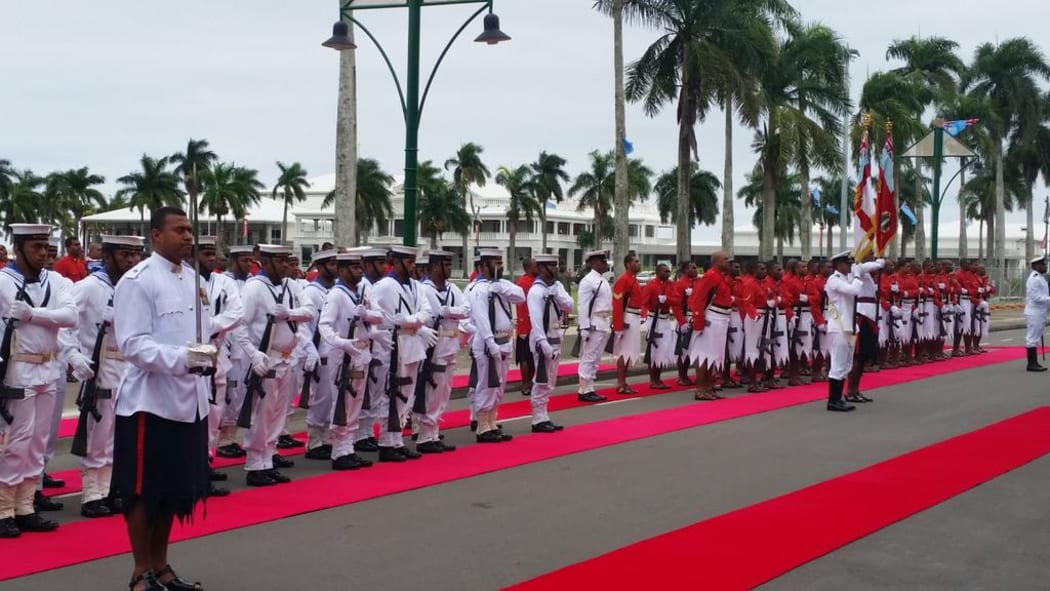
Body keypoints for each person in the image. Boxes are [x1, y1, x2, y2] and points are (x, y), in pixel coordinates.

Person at [110, 207, 217, 591]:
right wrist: (184, 359)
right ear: (156, 235)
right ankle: (142, 572)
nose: (188, 237)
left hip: (190, 400)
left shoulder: (193, 279)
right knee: (144, 490)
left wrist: (204, 355)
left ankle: (162, 566)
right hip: (150, 402)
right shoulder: (138, 281)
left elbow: (203, 330)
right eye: (180, 230)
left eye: (191, 230)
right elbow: (133, 345)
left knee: (173, 489)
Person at [0, 224, 77, 538]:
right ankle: (4, 508)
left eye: (46, 247)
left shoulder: (56, 280)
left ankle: (26, 506)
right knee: (16, 442)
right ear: (18, 249)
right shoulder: (3, 282)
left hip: (48, 368)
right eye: (36, 247)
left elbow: (70, 316)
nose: (44, 253)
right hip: (17, 370)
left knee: (37, 442)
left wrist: (33, 314)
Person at [63, 234, 145, 518]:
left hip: (130, 368)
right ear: (107, 256)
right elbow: (65, 323)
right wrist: (74, 356)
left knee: (121, 435)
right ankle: (92, 493)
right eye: (125, 254)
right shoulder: (88, 287)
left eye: (135, 254)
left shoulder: (134, 288)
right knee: (98, 434)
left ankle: (111, 489)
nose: (132, 260)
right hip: (100, 366)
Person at [233, 244, 314, 486]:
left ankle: (268, 458)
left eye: (286, 261)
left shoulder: (292, 285)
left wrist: (288, 314)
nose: (285, 265)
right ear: (264, 262)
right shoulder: (255, 288)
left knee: (278, 413)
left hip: (287, 357)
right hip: (266, 357)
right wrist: (253, 354)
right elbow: (240, 325)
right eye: (279, 261)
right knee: (262, 414)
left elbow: (309, 311)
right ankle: (255, 463)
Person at [368, 246, 434, 462]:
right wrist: (409, 320)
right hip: (393, 343)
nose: (412, 265)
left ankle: (397, 439)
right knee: (392, 392)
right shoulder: (383, 286)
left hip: (413, 342)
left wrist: (411, 320)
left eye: (413, 261)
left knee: (407, 393)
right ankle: (387, 442)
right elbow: (378, 315)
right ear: (395, 262)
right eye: (408, 261)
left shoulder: (416, 285)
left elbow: (426, 311)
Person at [318, 252, 378, 470]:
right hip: (342, 354)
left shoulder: (362, 292)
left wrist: (368, 315)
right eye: (354, 267)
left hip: (361, 353)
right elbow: (324, 326)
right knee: (342, 402)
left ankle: (348, 446)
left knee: (355, 402)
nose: (359, 271)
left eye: (360, 266)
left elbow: (379, 317)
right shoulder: (336, 294)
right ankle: (339, 450)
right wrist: (340, 342)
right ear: (341, 270)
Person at [194, 236, 243, 498]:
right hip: (192, 351)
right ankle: (193, 468)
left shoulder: (224, 282)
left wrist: (211, 325)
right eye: (204, 252)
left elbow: (237, 312)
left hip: (217, 351)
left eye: (212, 252)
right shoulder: (183, 279)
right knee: (195, 413)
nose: (210, 257)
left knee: (214, 414)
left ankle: (205, 462)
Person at [466, 249, 525, 442]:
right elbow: (482, 318)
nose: (500, 266)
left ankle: (492, 421)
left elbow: (520, 297)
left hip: (505, 340)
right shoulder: (478, 289)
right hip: (487, 343)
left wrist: (501, 288)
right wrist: (490, 343)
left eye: (501, 262)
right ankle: (482, 426)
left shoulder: (502, 284)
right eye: (495, 263)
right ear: (483, 266)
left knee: (499, 386)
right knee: (487, 385)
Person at [416, 250, 470, 452]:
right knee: (431, 392)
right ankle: (424, 436)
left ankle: (434, 432)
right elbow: (423, 317)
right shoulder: (424, 289)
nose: (449, 268)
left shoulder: (453, 288)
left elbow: (466, 310)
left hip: (450, 345)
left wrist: (449, 312)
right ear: (435, 266)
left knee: (443, 392)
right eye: (445, 265)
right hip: (433, 347)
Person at [299, 249, 339, 461]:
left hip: (336, 352)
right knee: (321, 399)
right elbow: (305, 326)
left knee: (332, 399)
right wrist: (310, 350)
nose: (335, 268)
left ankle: (325, 439)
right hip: (320, 351)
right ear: (320, 267)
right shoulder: (311, 292)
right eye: (331, 264)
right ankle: (314, 441)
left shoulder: (337, 290)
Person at [527, 254, 574, 432]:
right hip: (543, 340)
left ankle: (544, 415)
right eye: (551, 266)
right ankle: (537, 418)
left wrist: (557, 296)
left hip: (556, 337)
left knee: (550, 381)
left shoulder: (557, 286)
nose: (555, 269)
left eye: (556, 265)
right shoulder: (536, 291)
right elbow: (536, 321)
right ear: (540, 268)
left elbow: (569, 306)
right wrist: (543, 343)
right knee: (541, 380)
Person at [216, 244, 255, 459]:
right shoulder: (224, 282)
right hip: (228, 345)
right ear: (234, 260)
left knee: (239, 393)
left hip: (245, 348)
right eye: (245, 260)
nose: (249, 264)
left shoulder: (251, 283)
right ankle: (223, 440)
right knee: (228, 394)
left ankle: (232, 438)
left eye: (251, 260)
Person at [687, 251, 732, 400]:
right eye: (725, 259)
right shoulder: (710, 276)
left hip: (722, 319)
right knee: (704, 355)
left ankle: (709, 387)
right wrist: (699, 321)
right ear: (716, 261)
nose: (728, 262)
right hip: (711, 318)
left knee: (714, 355)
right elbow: (697, 299)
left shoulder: (722, 277)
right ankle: (700, 389)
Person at [824, 251, 863, 413]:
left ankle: (839, 397)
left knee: (846, 364)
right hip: (838, 327)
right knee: (838, 364)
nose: (850, 266)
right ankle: (833, 400)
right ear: (839, 265)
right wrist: (858, 276)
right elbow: (853, 291)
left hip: (848, 326)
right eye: (847, 264)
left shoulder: (846, 279)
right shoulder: (834, 280)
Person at [845, 253, 884, 403]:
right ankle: (850, 391)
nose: (873, 257)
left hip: (869, 314)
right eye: (870, 255)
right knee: (858, 355)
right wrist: (880, 261)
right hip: (862, 314)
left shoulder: (864, 272)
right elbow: (874, 265)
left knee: (864, 357)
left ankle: (855, 389)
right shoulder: (856, 268)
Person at [576, 250, 612, 399]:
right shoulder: (588, 281)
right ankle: (583, 390)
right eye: (602, 262)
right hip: (593, 323)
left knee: (596, 358)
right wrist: (584, 326)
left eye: (605, 261)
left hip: (603, 322)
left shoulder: (602, 280)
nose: (605, 264)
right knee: (589, 357)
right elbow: (582, 305)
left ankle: (590, 387)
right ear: (592, 263)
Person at [611, 254, 644, 395]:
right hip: (628, 318)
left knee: (630, 352)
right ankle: (620, 383)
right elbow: (617, 304)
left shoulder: (633, 280)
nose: (639, 264)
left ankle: (624, 382)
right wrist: (619, 324)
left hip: (635, 317)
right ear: (628, 264)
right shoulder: (624, 280)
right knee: (624, 352)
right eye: (636, 262)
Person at [641, 263, 677, 388]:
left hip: (665, 319)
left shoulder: (671, 284)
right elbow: (644, 303)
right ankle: (653, 380)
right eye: (664, 271)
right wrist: (644, 316)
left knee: (663, 349)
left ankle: (658, 378)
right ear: (658, 272)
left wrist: (666, 300)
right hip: (654, 319)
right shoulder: (651, 285)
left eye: (668, 271)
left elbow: (676, 300)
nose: (667, 274)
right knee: (653, 349)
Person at [514, 258, 538, 397]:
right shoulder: (525, 283)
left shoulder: (529, 281)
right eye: (536, 266)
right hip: (526, 326)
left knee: (531, 357)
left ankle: (529, 382)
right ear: (529, 268)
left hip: (532, 325)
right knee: (525, 357)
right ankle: (526, 383)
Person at [673, 261, 699, 386]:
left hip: (696, 317)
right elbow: (676, 305)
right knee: (683, 350)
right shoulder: (680, 284)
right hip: (685, 317)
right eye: (692, 268)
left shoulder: (698, 282)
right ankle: (682, 376)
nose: (695, 270)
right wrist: (682, 321)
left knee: (694, 348)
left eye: (696, 267)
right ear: (685, 270)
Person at [1024, 255, 1049, 372]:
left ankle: (1034, 363)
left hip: (1040, 312)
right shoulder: (1034, 279)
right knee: (1032, 338)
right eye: (1043, 265)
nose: (1045, 266)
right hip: (1034, 312)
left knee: (1035, 337)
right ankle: (1031, 364)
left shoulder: (1040, 278)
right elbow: (1036, 297)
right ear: (1036, 266)